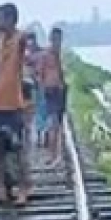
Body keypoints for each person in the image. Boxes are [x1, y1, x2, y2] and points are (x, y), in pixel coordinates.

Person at [0, 3, 31, 205]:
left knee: (18, 148)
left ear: (11, 20)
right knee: (0, 148)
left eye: (2, 18)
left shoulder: (18, 40)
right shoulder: (0, 40)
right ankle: (2, 187)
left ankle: (23, 188)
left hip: (14, 103)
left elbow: (24, 37)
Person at [37, 26, 67, 160]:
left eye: (59, 39)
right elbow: (40, 74)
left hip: (59, 91)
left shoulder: (60, 54)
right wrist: (43, 87)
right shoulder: (46, 55)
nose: (57, 42)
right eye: (55, 39)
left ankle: (56, 153)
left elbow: (62, 73)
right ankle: (53, 154)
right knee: (53, 122)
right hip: (50, 91)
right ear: (51, 39)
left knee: (58, 124)